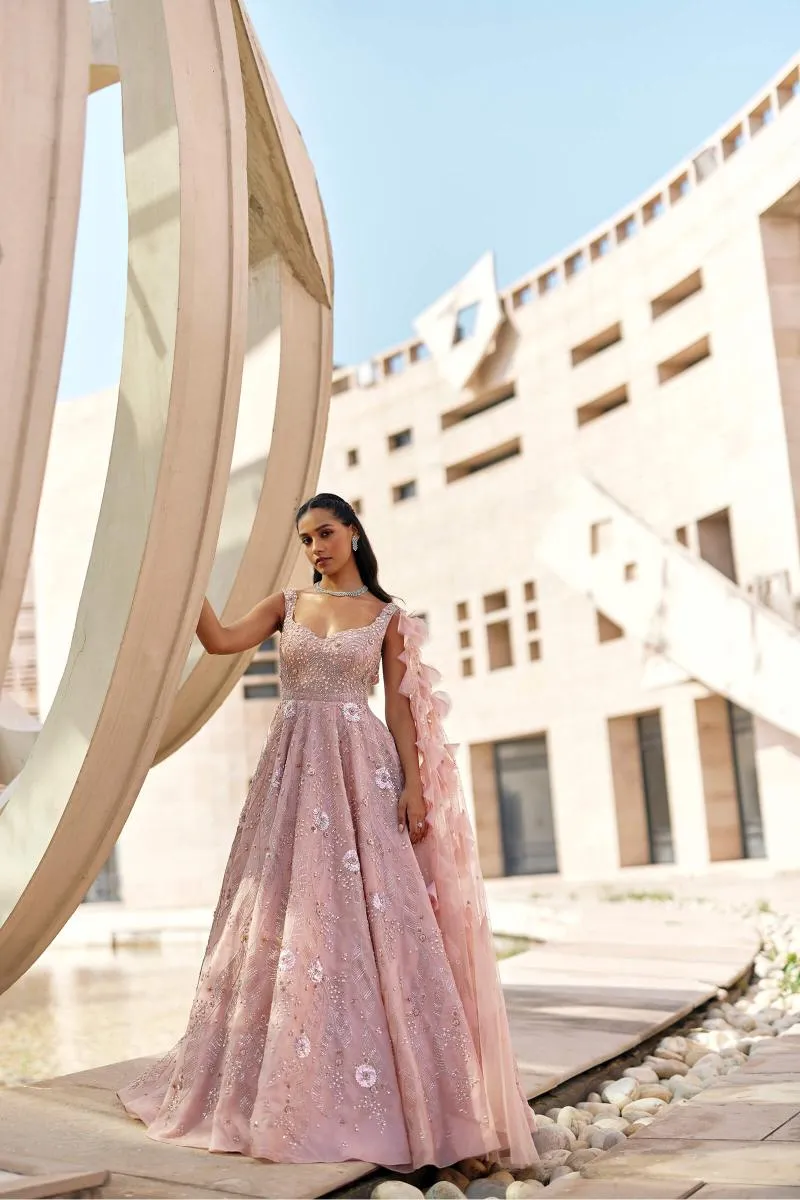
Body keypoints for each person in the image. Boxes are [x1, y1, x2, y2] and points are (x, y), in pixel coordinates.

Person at [118, 493, 537, 1170]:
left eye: (325, 533)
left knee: (376, 922)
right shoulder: (286, 605)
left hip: (360, 772)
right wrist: (184, 577)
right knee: (283, 915)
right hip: (291, 774)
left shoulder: (388, 617)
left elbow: (401, 714)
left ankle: (401, 1094)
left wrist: (410, 785)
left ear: (352, 533)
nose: (315, 547)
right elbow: (219, 639)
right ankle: (277, 1085)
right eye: (306, 538)